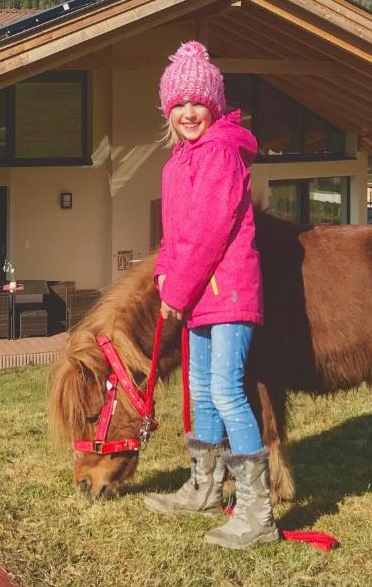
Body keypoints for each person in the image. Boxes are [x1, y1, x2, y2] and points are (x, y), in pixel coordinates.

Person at [144, 41, 279, 550]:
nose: (188, 112)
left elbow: (208, 233)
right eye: (178, 104)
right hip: (199, 294)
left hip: (226, 291)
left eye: (197, 102)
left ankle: (256, 513)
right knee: (201, 391)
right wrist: (163, 272)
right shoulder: (178, 162)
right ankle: (203, 486)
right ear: (167, 111)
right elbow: (175, 233)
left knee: (225, 391)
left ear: (215, 105)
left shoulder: (221, 153)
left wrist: (177, 289)